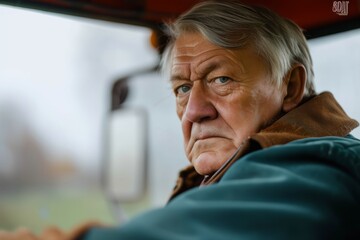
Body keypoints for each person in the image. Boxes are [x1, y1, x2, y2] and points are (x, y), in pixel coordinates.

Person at [1, 1, 360, 239]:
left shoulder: (318, 165)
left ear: (290, 87)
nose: (193, 111)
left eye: (221, 79)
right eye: (182, 88)